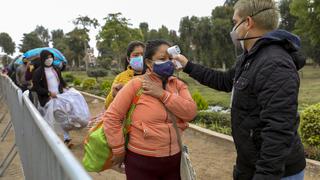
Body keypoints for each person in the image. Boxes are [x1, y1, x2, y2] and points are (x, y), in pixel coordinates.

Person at [173, 0, 306, 179]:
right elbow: (224, 80)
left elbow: (279, 129)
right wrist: (187, 65)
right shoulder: (251, 58)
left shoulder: (274, 64)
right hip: (250, 165)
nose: (233, 29)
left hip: (276, 172)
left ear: (248, 23)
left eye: (235, 22)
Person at [102, 39, 197, 179]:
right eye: (162, 59)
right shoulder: (136, 85)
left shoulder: (178, 84)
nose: (168, 62)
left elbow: (190, 112)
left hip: (173, 161)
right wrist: (118, 149)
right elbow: (112, 116)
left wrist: (163, 95)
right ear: (148, 63)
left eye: (170, 58)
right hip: (141, 161)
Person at [32, 50, 72, 146]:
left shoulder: (55, 69)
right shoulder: (38, 72)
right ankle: (50, 140)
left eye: (51, 57)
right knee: (50, 120)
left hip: (58, 97)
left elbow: (60, 80)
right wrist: (49, 93)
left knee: (62, 116)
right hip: (48, 99)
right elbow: (37, 88)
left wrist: (66, 86)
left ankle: (67, 138)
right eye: (47, 57)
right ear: (43, 59)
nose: (49, 59)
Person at [104, 41, 145, 109]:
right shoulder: (120, 77)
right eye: (136, 55)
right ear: (128, 59)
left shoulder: (153, 76)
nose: (141, 58)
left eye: (143, 54)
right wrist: (113, 94)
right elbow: (108, 106)